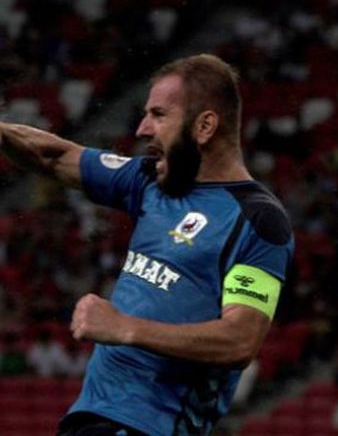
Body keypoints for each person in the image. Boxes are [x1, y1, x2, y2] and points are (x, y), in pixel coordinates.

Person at [0, 54, 294, 436]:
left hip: (150, 427)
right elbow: (54, 157)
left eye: (158, 114)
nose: (142, 129)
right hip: (91, 419)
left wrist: (126, 327)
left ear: (205, 126)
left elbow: (239, 341)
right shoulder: (150, 182)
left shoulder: (257, 220)